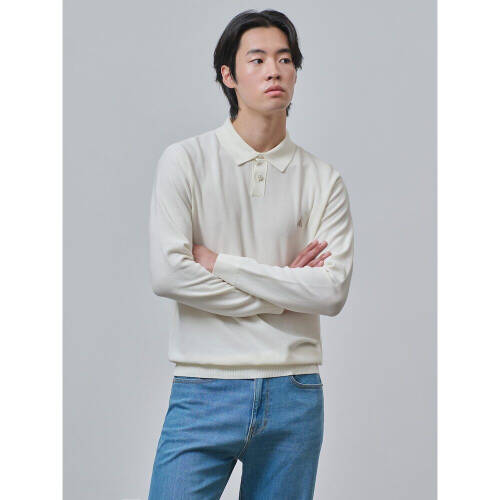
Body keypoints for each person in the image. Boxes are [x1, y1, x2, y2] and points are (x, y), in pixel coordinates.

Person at [147, 8, 354, 499]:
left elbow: (330, 291)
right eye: (257, 59)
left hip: (294, 392)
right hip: (204, 386)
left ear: (296, 72)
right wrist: (286, 291)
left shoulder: (323, 180)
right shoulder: (186, 161)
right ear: (229, 75)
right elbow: (169, 275)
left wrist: (220, 263)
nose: (273, 71)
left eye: (284, 59)